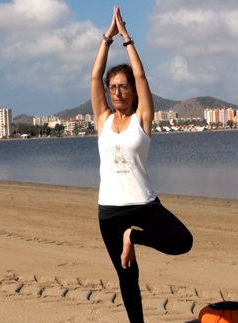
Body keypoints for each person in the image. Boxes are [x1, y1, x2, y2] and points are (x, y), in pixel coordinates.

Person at [90, 6, 193, 323]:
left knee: (181, 241)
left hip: (144, 204)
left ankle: (132, 237)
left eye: (123, 85)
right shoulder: (103, 119)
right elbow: (95, 75)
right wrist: (106, 38)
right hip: (109, 211)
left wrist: (126, 39)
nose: (117, 91)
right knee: (126, 276)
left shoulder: (143, 120)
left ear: (133, 90)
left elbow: (143, 75)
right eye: (113, 87)